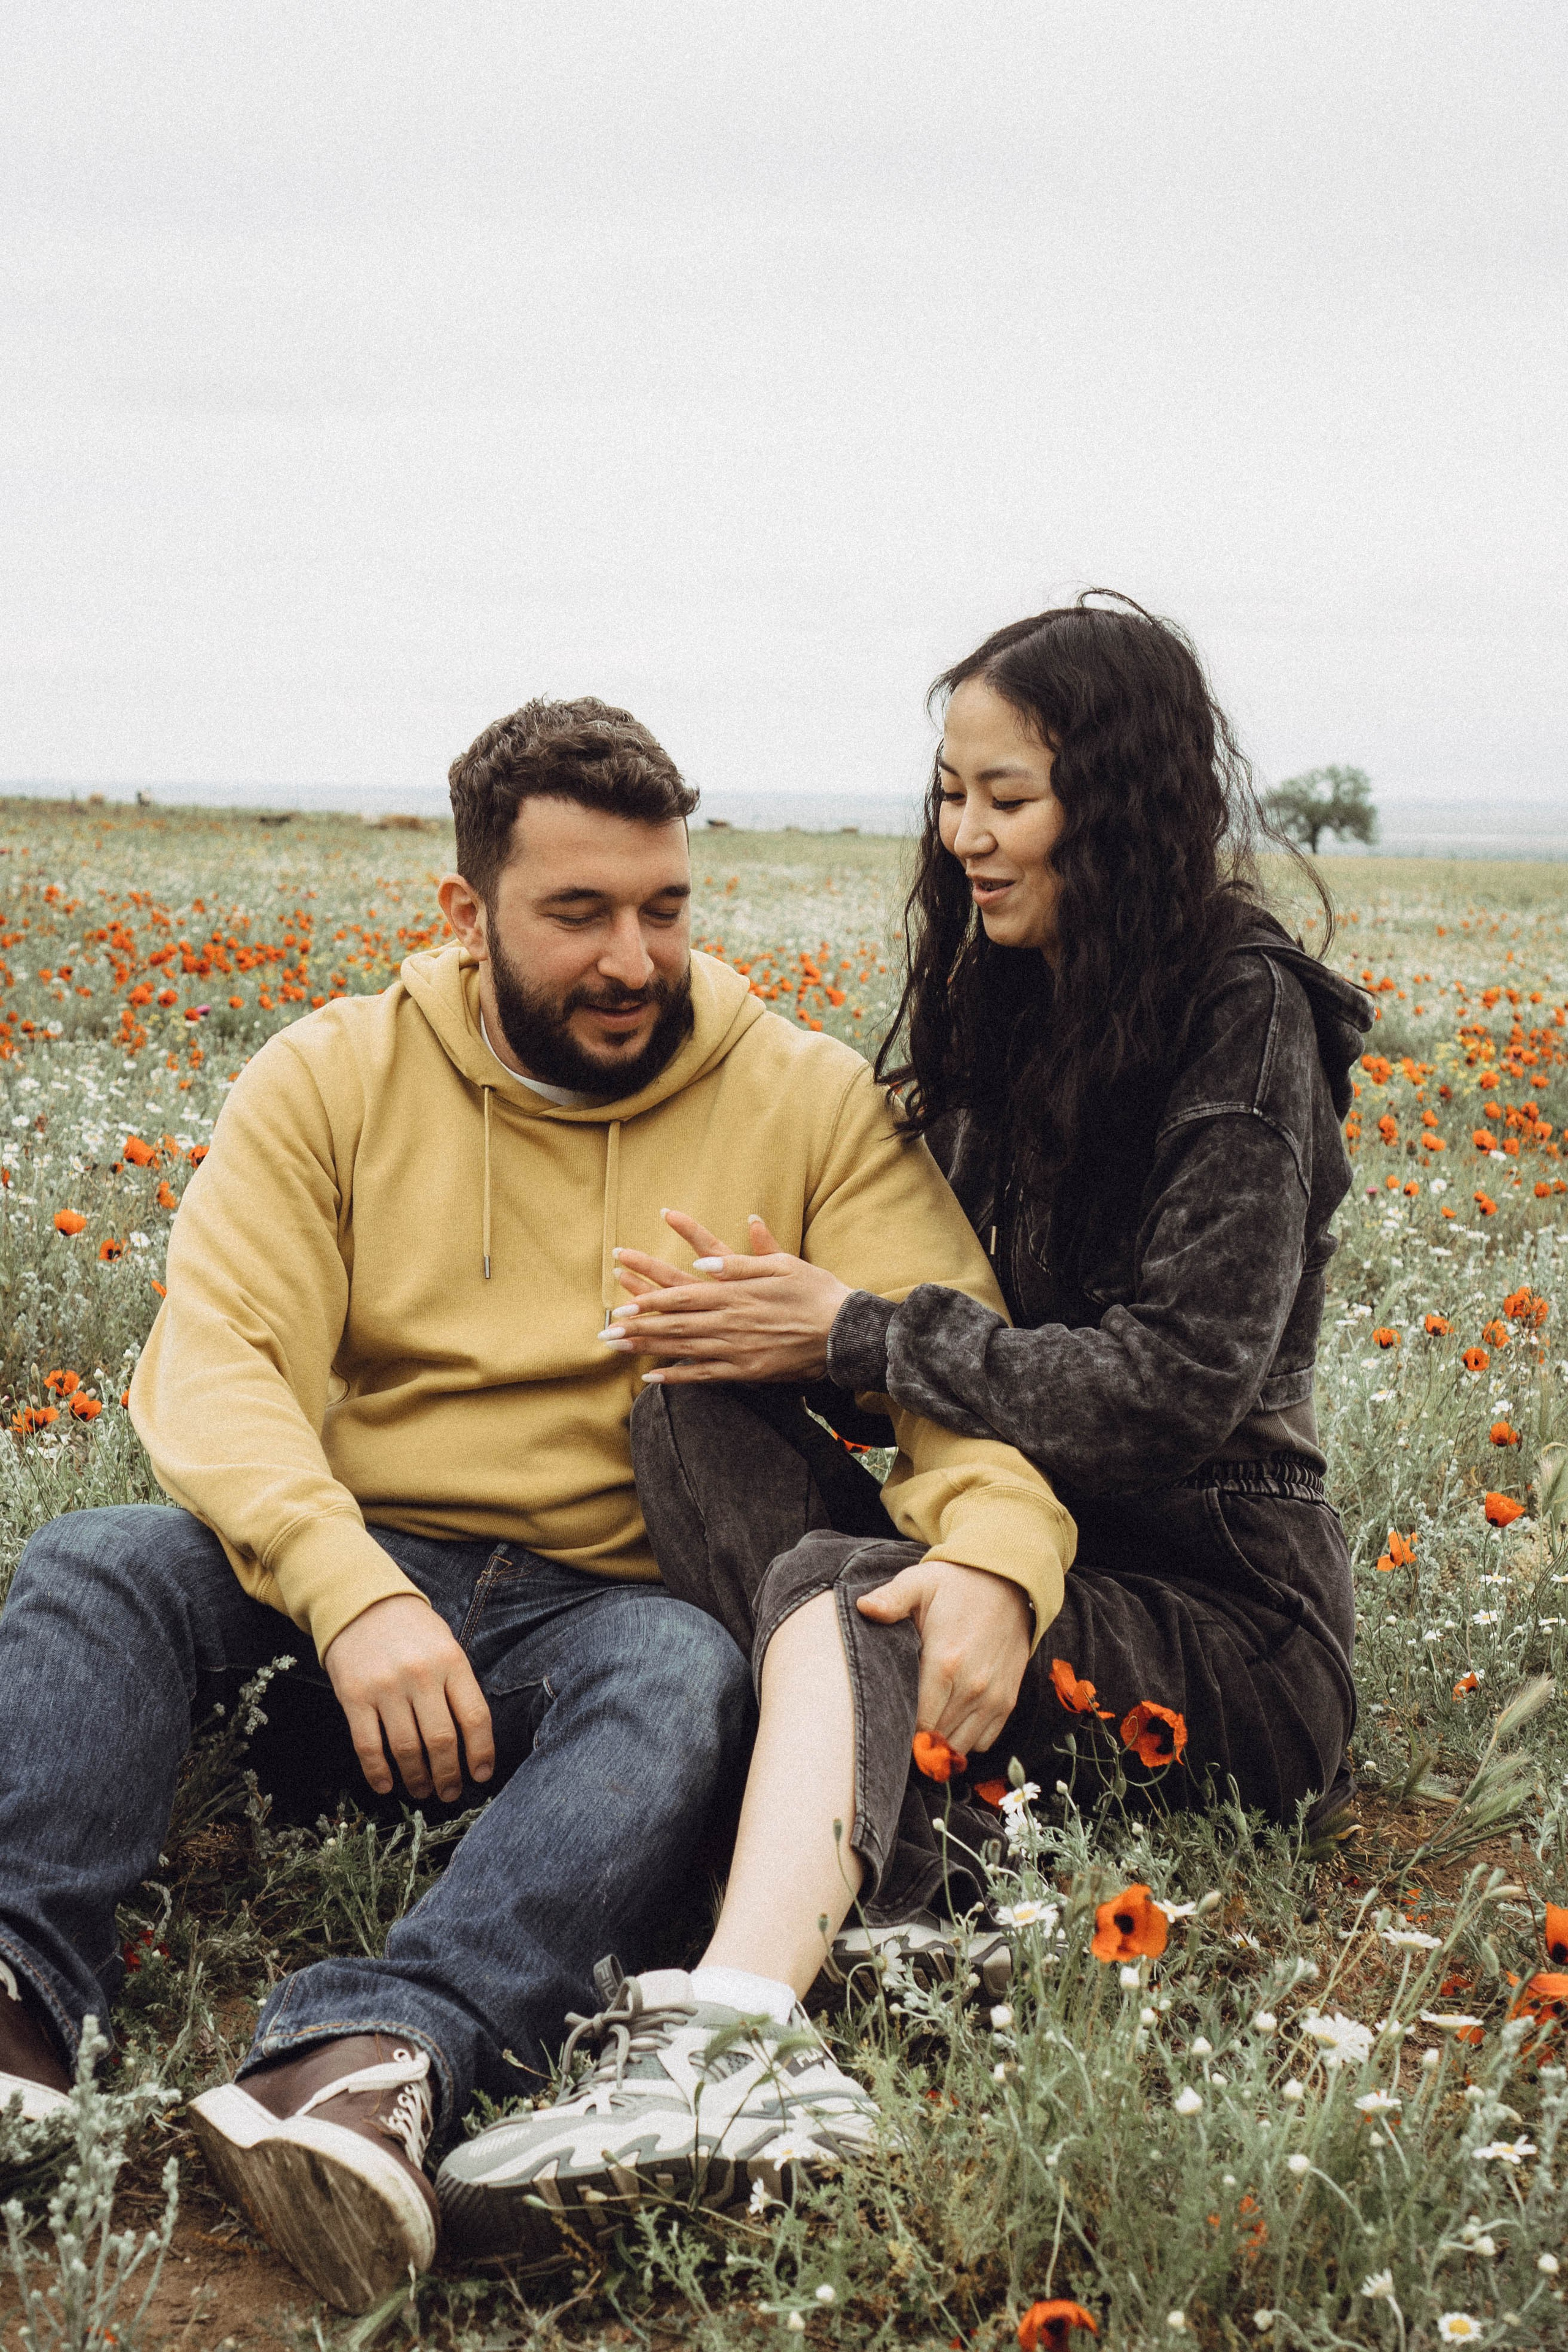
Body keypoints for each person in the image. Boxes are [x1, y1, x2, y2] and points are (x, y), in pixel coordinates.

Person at [0, 697, 1072, 2313]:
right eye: (578, 914)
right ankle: (19, 2003)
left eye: (664, 908)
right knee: (97, 1566)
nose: (634, 959)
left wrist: (995, 1554)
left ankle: (364, 2060)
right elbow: (215, 1363)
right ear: (467, 910)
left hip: (596, 1632)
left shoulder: (800, 1097)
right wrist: (349, 1587)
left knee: (686, 1671)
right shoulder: (333, 1075)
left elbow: (954, 1371)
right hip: (345, 1611)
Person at [441, 597, 1371, 2248]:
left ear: (1121, 799)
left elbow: (1179, 1389)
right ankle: (900, 1880)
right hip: (1025, 1560)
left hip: (1218, 1614)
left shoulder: (1245, 1013)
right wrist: (759, 1312)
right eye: (951, 795)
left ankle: (736, 2049)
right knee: (695, 1399)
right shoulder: (1014, 999)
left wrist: (857, 1330)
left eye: (1007, 797)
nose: (966, 837)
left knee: (854, 1598)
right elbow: (933, 1301)